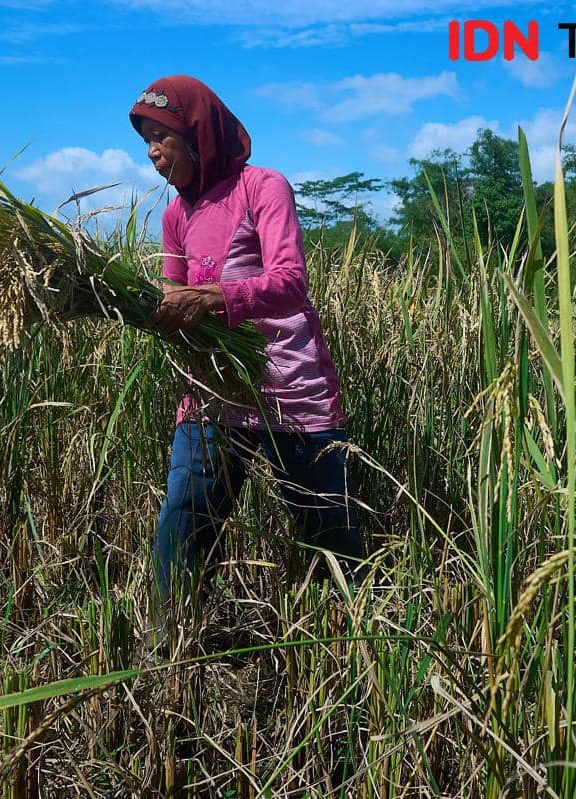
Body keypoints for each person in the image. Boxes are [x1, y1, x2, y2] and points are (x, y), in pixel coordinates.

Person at [129, 75, 362, 608]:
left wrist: (212, 299)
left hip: (289, 387)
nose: (152, 153)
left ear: (196, 133)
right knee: (182, 524)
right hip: (213, 391)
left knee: (329, 532)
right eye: (145, 141)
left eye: (160, 137)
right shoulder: (174, 216)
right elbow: (174, 297)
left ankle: (353, 642)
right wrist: (155, 311)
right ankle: (168, 647)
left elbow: (291, 281)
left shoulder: (263, 187)